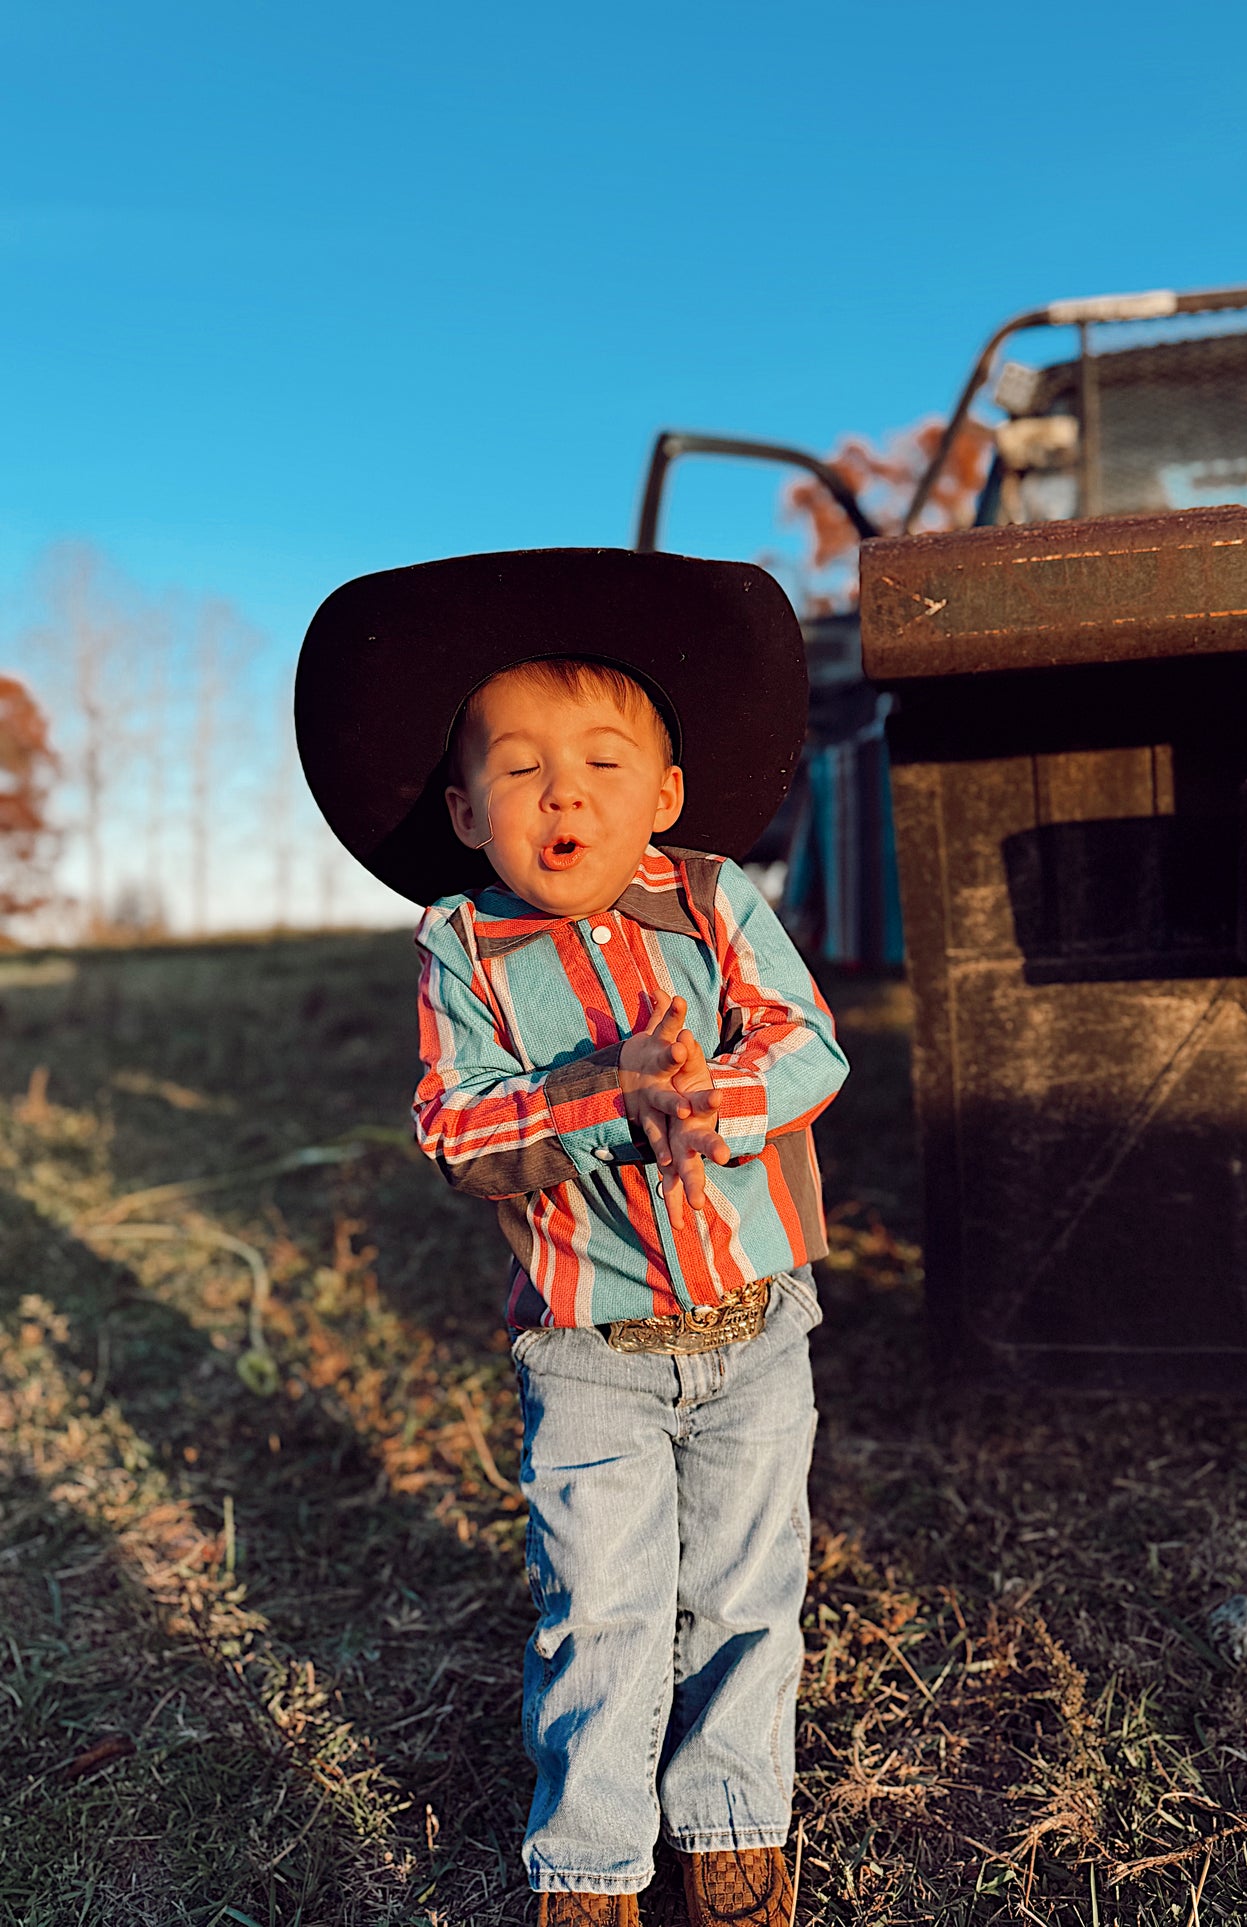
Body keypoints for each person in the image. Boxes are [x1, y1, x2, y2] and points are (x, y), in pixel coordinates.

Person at [295, 549, 850, 1927]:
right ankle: (593, 1859)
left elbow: (806, 1052)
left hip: (755, 1334)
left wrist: (700, 1092)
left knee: (742, 1594)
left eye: (605, 762)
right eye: (523, 766)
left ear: (660, 796)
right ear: (466, 809)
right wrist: (608, 1095)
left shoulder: (715, 904)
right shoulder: (461, 954)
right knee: (597, 1607)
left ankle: (729, 1819)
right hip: (588, 1353)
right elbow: (457, 1131)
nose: (565, 792)